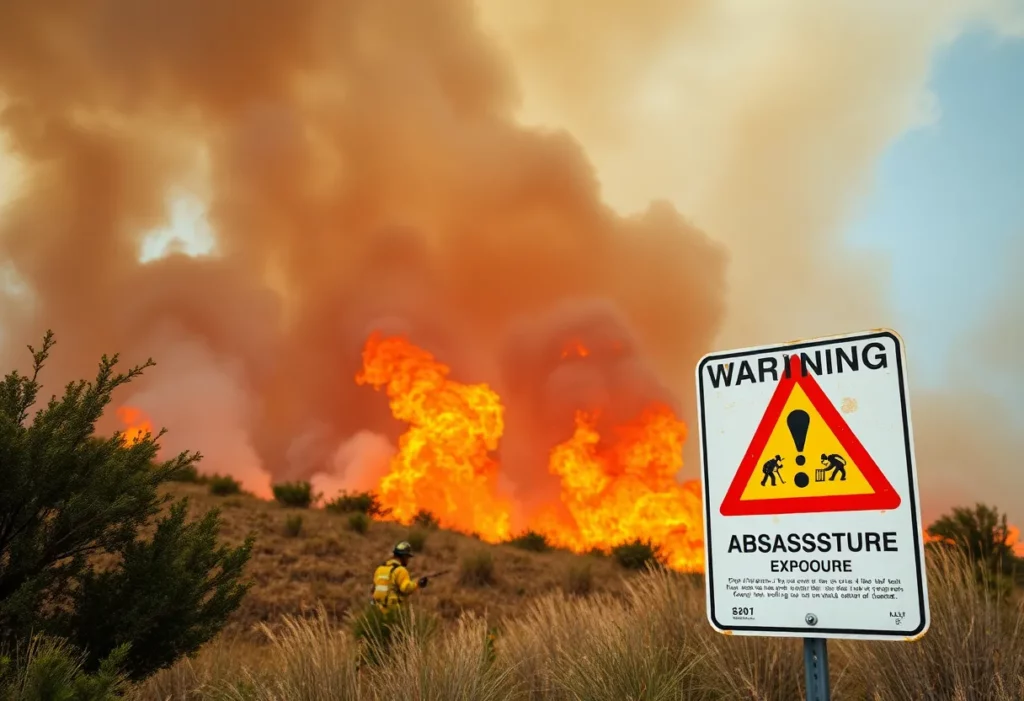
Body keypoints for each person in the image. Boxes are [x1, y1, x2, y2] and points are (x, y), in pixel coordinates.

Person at [371, 541, 428, 614]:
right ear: (403, 557)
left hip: (377, 611)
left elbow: (373, 589)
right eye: (407, 557)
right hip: (392, 611)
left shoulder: (379, 569)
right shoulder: (401, 570)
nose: (408, 560)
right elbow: (405, 588)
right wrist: (418, 583)